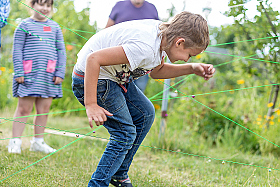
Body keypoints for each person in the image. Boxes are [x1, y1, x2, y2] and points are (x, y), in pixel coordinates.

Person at [72, 11, 215, 187]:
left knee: (145, 113)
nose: (187, 59)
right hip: (93, 78)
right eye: (190, 55)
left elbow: (157, 72)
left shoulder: (163, 39)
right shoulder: (145, 45)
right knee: (124, 133)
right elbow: (93, 59)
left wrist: (192, 68)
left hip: (115, 78)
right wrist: (91, 104)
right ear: (180, 42)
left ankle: (119, 173)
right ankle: (97, 184)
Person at [8, 0, 66, 154]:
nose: (45, 8)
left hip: (49, 76)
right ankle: (15, 142)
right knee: (23, 109)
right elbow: (17, 50)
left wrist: (60, 72)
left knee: (44, 109)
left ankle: (38, 142)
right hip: (29, 75)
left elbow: (61, 51)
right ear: (32, 5)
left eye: (48, 5)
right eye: (41, 4)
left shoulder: (55, 27)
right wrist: (19, 71)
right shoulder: (24, 25)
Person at [105, 0, 159, 93]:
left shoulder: (152, 9)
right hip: (118, 60)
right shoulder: (119, 6)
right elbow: (107, 30)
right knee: (115, 89)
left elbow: (157, 32)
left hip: (142, 61)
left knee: (138, 92)